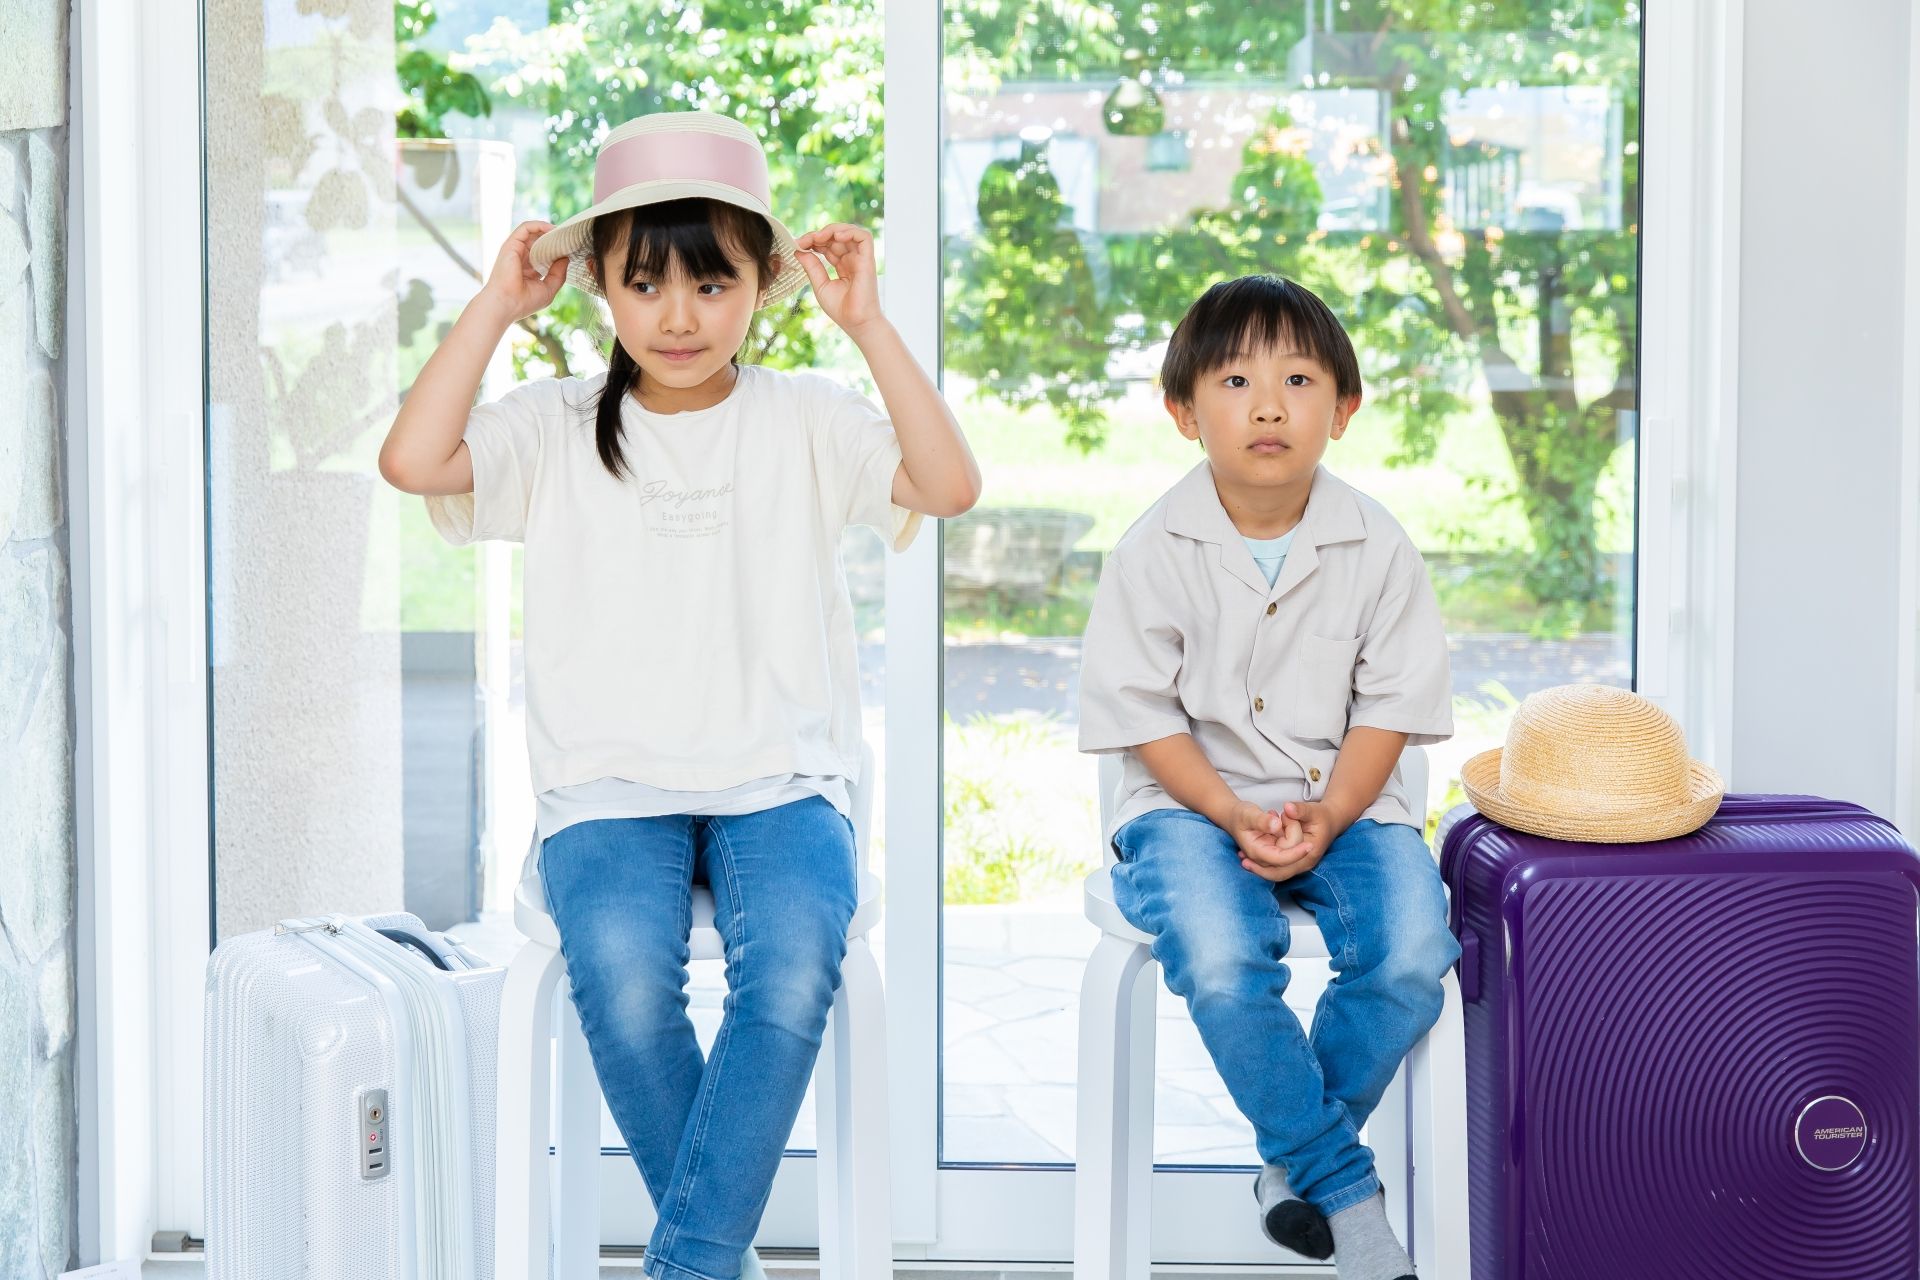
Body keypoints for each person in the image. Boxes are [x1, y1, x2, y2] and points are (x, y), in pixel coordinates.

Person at [378, 109, 980, 1280]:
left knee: (798, 961)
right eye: (644, 282)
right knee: (622, 970)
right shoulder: (554, 425)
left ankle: (690, 1262)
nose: (679, 315)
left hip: (782, 777)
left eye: (712, 282)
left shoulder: (804, 413)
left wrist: (867, 324)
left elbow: (947, 483)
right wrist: (499, 305)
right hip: (606, 783)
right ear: (597, 282)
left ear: (763, 281)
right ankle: (716, 1261)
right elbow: (412, 461)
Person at [1077, 274, 1458, 1280]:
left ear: (1344, 407)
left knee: (1415, 945)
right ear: (1182, 410)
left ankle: (1295, 1167)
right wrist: (1230, 807)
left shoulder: (1379, 545)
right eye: (1236, 378)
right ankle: (1339, 1182)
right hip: (1189, 805)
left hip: (1352, 803)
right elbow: (1142, 715)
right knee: (1214, 944)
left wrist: (1330, 811)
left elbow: (1390, 709)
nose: (1268, 403)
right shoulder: (1152, 548)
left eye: (1298, 378)